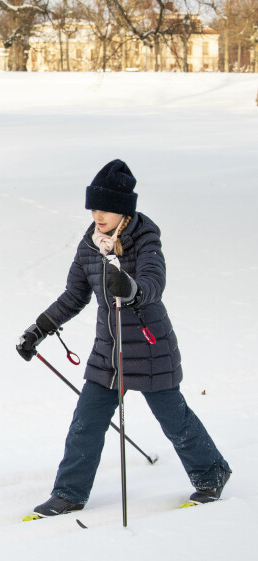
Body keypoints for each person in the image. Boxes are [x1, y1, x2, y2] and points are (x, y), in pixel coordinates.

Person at [16, 159, 230, 518]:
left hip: (149, 347)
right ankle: (69, 493)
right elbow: (74, 296)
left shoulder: (145, 236)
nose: (99, 215)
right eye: (95, 207)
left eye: (107, 209)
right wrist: (40, 328)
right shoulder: (89, 245)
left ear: (124, 211)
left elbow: (153, 281)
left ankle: (212, 474)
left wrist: (131, 289)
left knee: (174, 420)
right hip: (107, 352)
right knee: (85, 423)